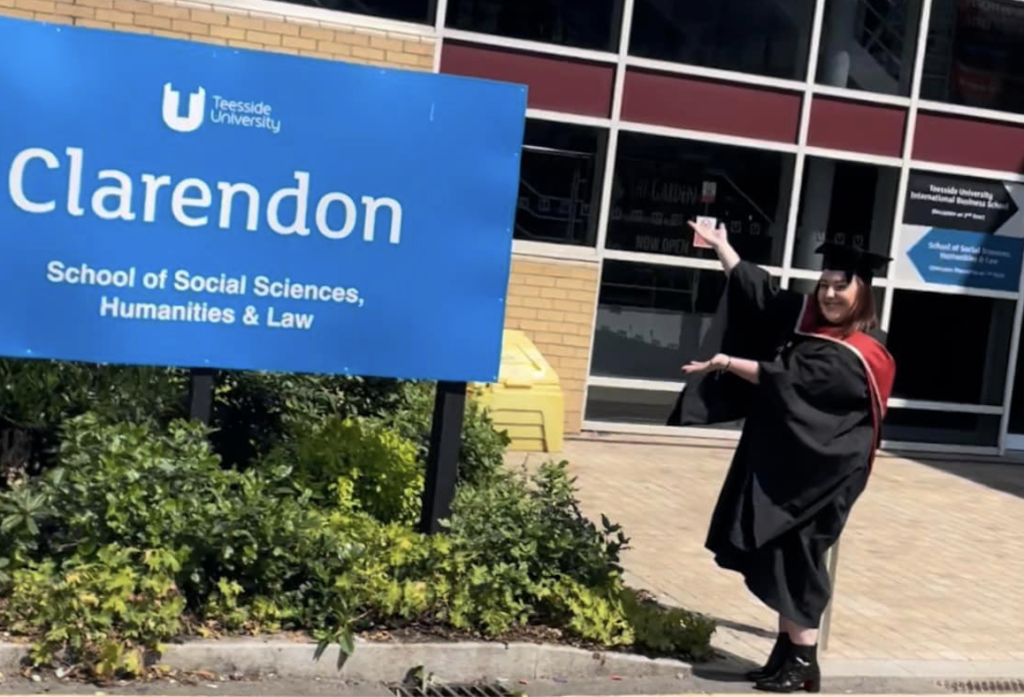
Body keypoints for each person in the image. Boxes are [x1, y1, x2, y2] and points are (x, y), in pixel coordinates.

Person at [667, 220, 896, 694]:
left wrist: (726, 362)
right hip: (789, 467)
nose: (829, 294)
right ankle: (784, 654)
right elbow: (764, 297)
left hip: (823, 476)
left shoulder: (860, 354)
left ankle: (803, 663)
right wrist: (724, 248)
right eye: (825, 285)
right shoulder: (815, 325)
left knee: (800, 560)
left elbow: (785, 377)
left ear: (863, 296)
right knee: (777, 557)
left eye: (841, 287)